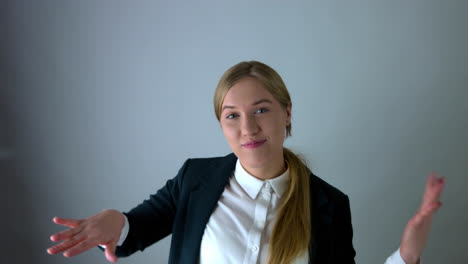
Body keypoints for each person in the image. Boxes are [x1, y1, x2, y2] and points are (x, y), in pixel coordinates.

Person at [47, 61, 445, 264]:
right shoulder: (194, 179)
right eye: (232, 115)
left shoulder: (328, 204)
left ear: (287, 112)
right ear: (221, 124)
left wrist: (405, 255)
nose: (248, 127)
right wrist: (115, 222)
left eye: (261, 109)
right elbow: (137, 228)